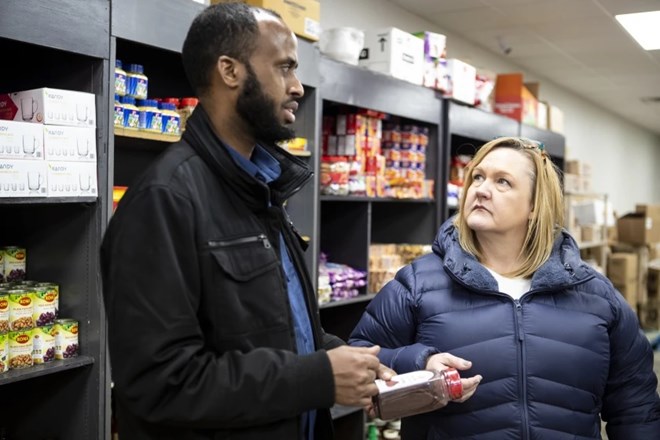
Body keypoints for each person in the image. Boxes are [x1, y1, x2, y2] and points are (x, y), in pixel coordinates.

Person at [100, 3, 393, 440]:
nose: (297, 87)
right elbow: (160, 383)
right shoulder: (165, 200)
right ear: (230, 71)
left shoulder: (262, 188)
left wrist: (385, 367)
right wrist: (317, 378)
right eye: (285, 68)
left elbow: (278, 334)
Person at [349, 137, 660, 439]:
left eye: (502, 182)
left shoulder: (596, 296)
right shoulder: (418, 283)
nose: (482, 190)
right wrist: (420, 363)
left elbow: (636, 407)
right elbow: (359, 357)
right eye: (478, 177)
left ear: (535, 207)